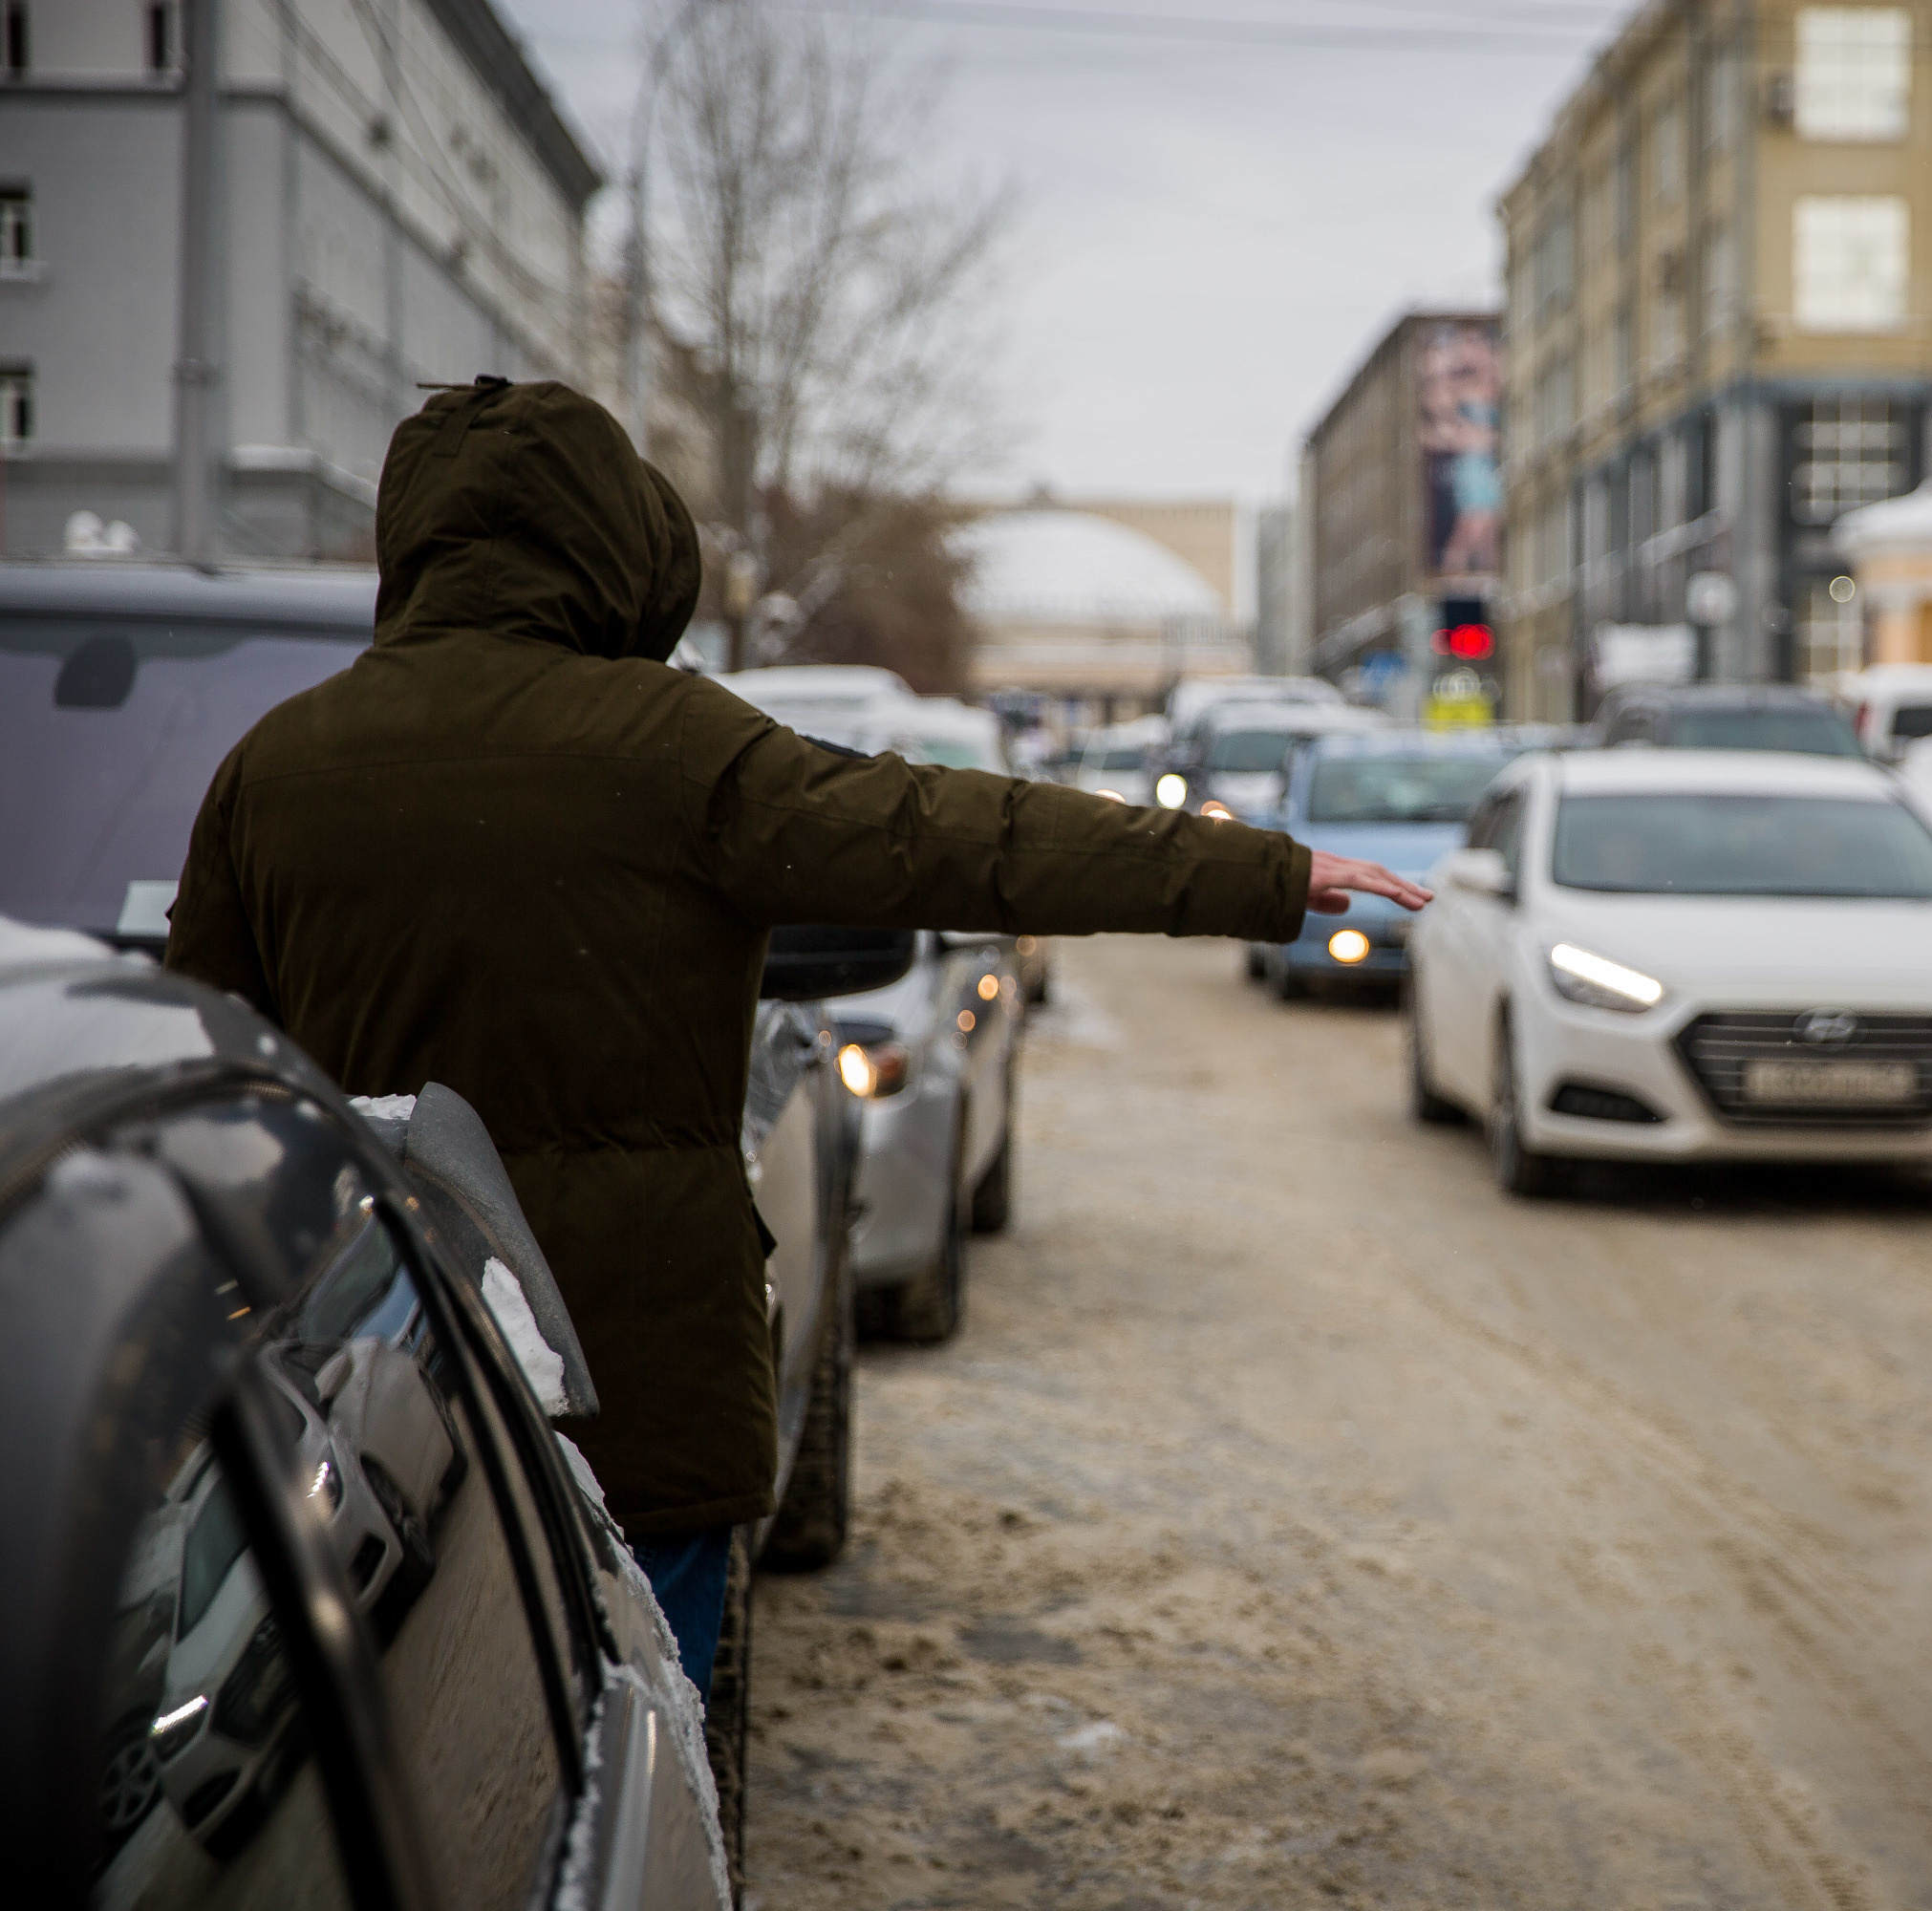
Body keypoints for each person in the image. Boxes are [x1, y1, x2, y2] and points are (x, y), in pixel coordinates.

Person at [162, 378, 1427, 1691]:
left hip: (368, 1397)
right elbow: (954, 837)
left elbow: (204, 1092)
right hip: (634, 1390)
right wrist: (1264, 876)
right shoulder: (672, 748)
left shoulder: (274, 769)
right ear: (615, 538)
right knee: (643, 1780)